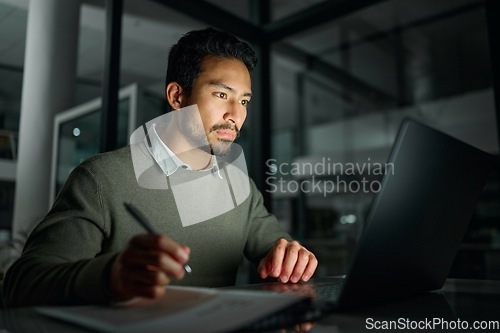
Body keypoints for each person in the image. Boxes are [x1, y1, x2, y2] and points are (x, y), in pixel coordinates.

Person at [2, 28, 317, 307]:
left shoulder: (240, 187)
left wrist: (291, 256)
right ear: (177, 96)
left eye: (244, 101)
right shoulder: (100, 178)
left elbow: (277, 248)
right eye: (221, 95)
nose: (236, 114)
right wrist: (110, 276)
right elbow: (22, 283)